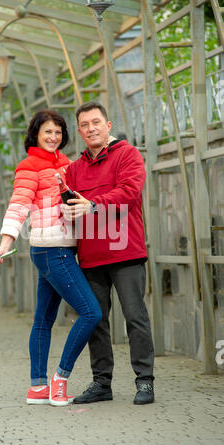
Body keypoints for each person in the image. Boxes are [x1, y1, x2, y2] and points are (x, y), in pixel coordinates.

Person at [0, 109, 102, 407]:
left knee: (43, 320)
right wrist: (5, 242)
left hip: (60, 249)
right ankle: (59, 379)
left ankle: (37, 388)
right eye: (47, 131)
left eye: (58, 131)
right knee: (91, 312)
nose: (53, 137)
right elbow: (18, 206)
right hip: (52, 251)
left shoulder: (68, 163)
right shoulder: (29, 166)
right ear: (35, 134)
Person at [61, 101, 155, 405]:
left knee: (134, 317)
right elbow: (68, 209)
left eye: (96, 122)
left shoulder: (128, 155)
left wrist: (92, 205)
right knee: (95, 320)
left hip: (126, 252)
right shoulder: (74, 169)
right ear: (79, 131)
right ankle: (102, 383)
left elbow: (129, 192)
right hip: (90, 256)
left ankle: (145, 382)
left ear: (108, 124)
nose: (91, 129)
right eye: (85, 125)